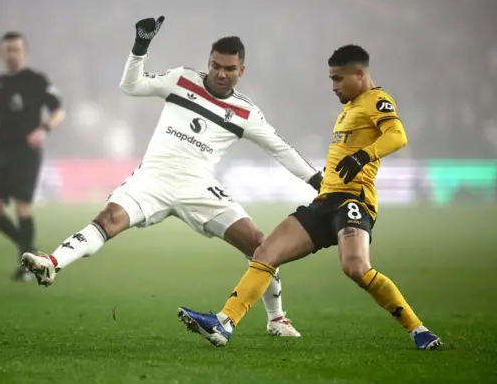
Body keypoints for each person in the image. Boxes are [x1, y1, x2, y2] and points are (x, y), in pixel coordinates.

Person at [21, 16, 323, 338]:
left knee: (262, 246)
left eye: (229, 68)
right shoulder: (182, 79)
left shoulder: (247, 113)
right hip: (152, 178)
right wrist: (141, 47)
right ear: (207, 62)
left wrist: (319, 181)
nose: (220, 73)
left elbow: (282, 150)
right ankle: (52, 262)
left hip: (198, 187)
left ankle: (276, 318)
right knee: (107, 220)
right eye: (215, 65)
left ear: (241, 71)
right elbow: (131, 86)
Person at [177, 45, 443, 350]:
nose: (334, 86)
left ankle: (418, 330)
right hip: (325, 202)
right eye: (331, 79)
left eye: (338, 79)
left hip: (353, 201)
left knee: (355, 267)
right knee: (266, 251)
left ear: (360, 74)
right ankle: (224, 323)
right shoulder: (350, 107)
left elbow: (398, 136)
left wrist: (362, 156)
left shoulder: (377, 101)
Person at [0, 31, 65, 281]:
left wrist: (44, 129)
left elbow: (58, 111)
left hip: (27, 151)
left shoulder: (36, 80)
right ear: (0, 53)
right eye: (7, 50)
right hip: (3, 150)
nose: (12, 54)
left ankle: (26, 265)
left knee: (22, 207)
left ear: (24, 52)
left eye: (16, 49)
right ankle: (29, 250)